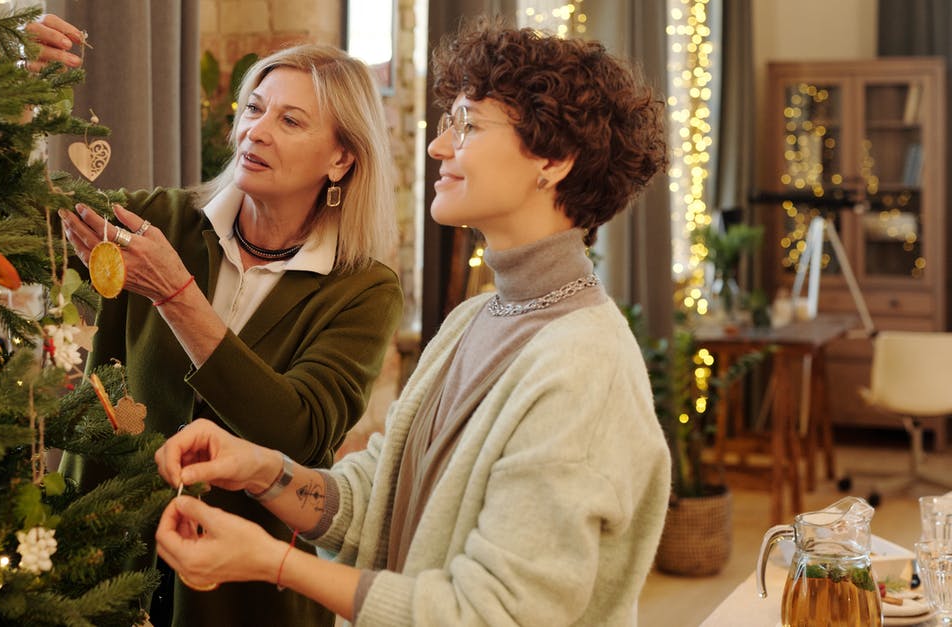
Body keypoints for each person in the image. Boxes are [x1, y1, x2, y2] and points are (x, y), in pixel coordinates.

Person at [153, 19, 671, 626]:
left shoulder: (584, 367)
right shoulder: (477, 318)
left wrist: (272, 562)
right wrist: (264, 471)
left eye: (469, 126)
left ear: (553, 160)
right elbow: (380, 499)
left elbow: (488, 613)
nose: (438, 147)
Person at [47, 20, 405, 627]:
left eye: (290, 121)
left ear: (342, 158)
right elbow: (20, 217)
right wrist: (13, 87)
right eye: (254, 109)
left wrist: (177, 295)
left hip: (244, 595)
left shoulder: (363, 288)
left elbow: (296, 432)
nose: (254, 132)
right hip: (99, 561)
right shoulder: (162, 220)